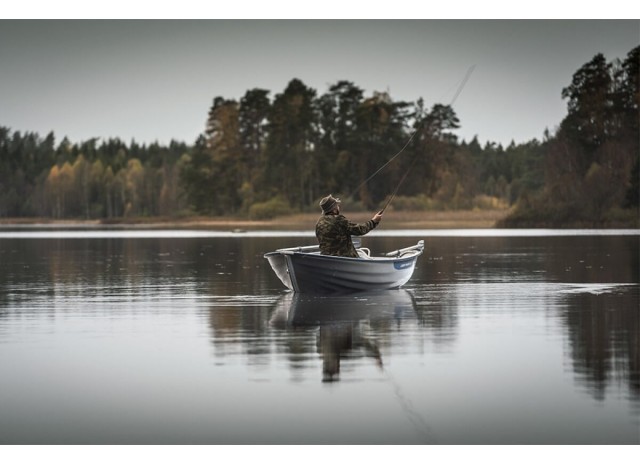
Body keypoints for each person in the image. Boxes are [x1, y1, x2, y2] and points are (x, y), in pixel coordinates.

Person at [315, 194, 383, 258]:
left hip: (325, 256)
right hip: (343, 257)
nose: (338, 207)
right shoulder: (339, 219)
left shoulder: (319, 222)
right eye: (337, 205)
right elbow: (360, 230)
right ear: (334, 209)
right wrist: (374, 221)